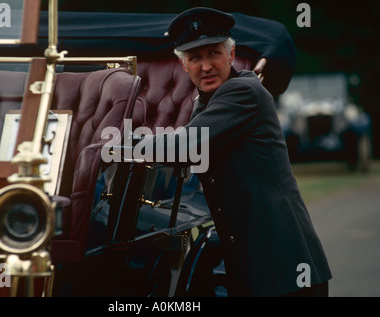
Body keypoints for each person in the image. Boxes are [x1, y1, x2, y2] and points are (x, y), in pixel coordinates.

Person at [136, 7, 332, 297]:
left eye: (214, 53)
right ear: (184, 66)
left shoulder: (242, 92)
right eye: (195, 58)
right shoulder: (205, 102)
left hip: (284, 270)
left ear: (231, 55)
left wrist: (119, 146)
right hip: (258, 266)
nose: (206, 66)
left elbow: (181, 147)